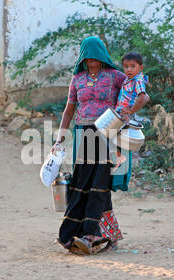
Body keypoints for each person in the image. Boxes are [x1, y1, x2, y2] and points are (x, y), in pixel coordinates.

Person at [51, 36, 130, 255]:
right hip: (83, 134)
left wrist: (128, 114)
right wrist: (59, 139)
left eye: (95, 57)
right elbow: (69, 111)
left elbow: (134, 92)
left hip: (106, 134)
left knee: (99, 185)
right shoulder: (77, 79)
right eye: (87, 58)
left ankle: (92, 234)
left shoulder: (116, 77)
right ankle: (73, 234)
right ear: (83, 58)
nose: (91, 61)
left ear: (102, 56)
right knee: (81, 184)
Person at [112, 52, 150, 171]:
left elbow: (143, 97)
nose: (129, 69)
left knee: (109, 135)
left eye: (133, 66)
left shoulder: (138, 80)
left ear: (141, 67)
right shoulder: (128, 79)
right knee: (111, 136)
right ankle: (119, 158)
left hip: (125, 116)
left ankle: (120, 160)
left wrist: (131, 110)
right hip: (119, 114)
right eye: (126, 66)